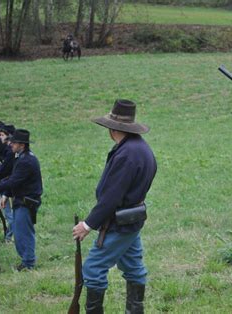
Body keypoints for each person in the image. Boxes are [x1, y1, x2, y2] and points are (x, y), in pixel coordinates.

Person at [72, 99, 157, 314]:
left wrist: (88, 224)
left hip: (120, 223)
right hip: (131, 220)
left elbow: (111, 197)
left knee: (93, 269)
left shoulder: (128, 153)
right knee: (134, 268)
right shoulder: (139, 148)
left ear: (112, 128)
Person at [0, 129, 43, 271]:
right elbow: (14, 179)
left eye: (13, 142)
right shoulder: (21, 157)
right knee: (20, 231)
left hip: (26, 201)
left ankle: (28, 263)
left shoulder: (26, 161)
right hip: (22, 199)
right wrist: (6, 194)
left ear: (22, 144)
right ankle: (27, 261)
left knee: (23, 233)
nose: (10, 144)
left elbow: (13, 181)